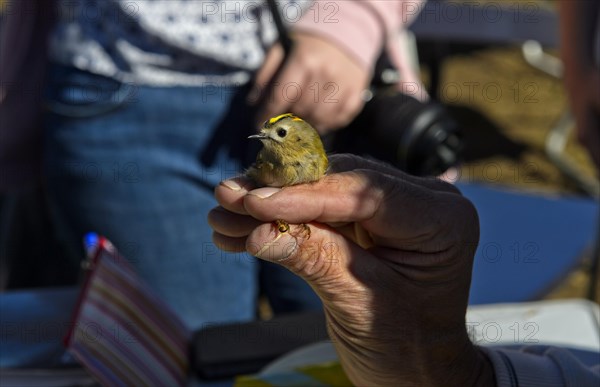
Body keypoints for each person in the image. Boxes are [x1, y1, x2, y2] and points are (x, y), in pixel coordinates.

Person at [38, 0, 425, 330]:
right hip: (127, 82)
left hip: (322, 83)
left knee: (354, 339)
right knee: (205, 351)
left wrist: (354, 17)